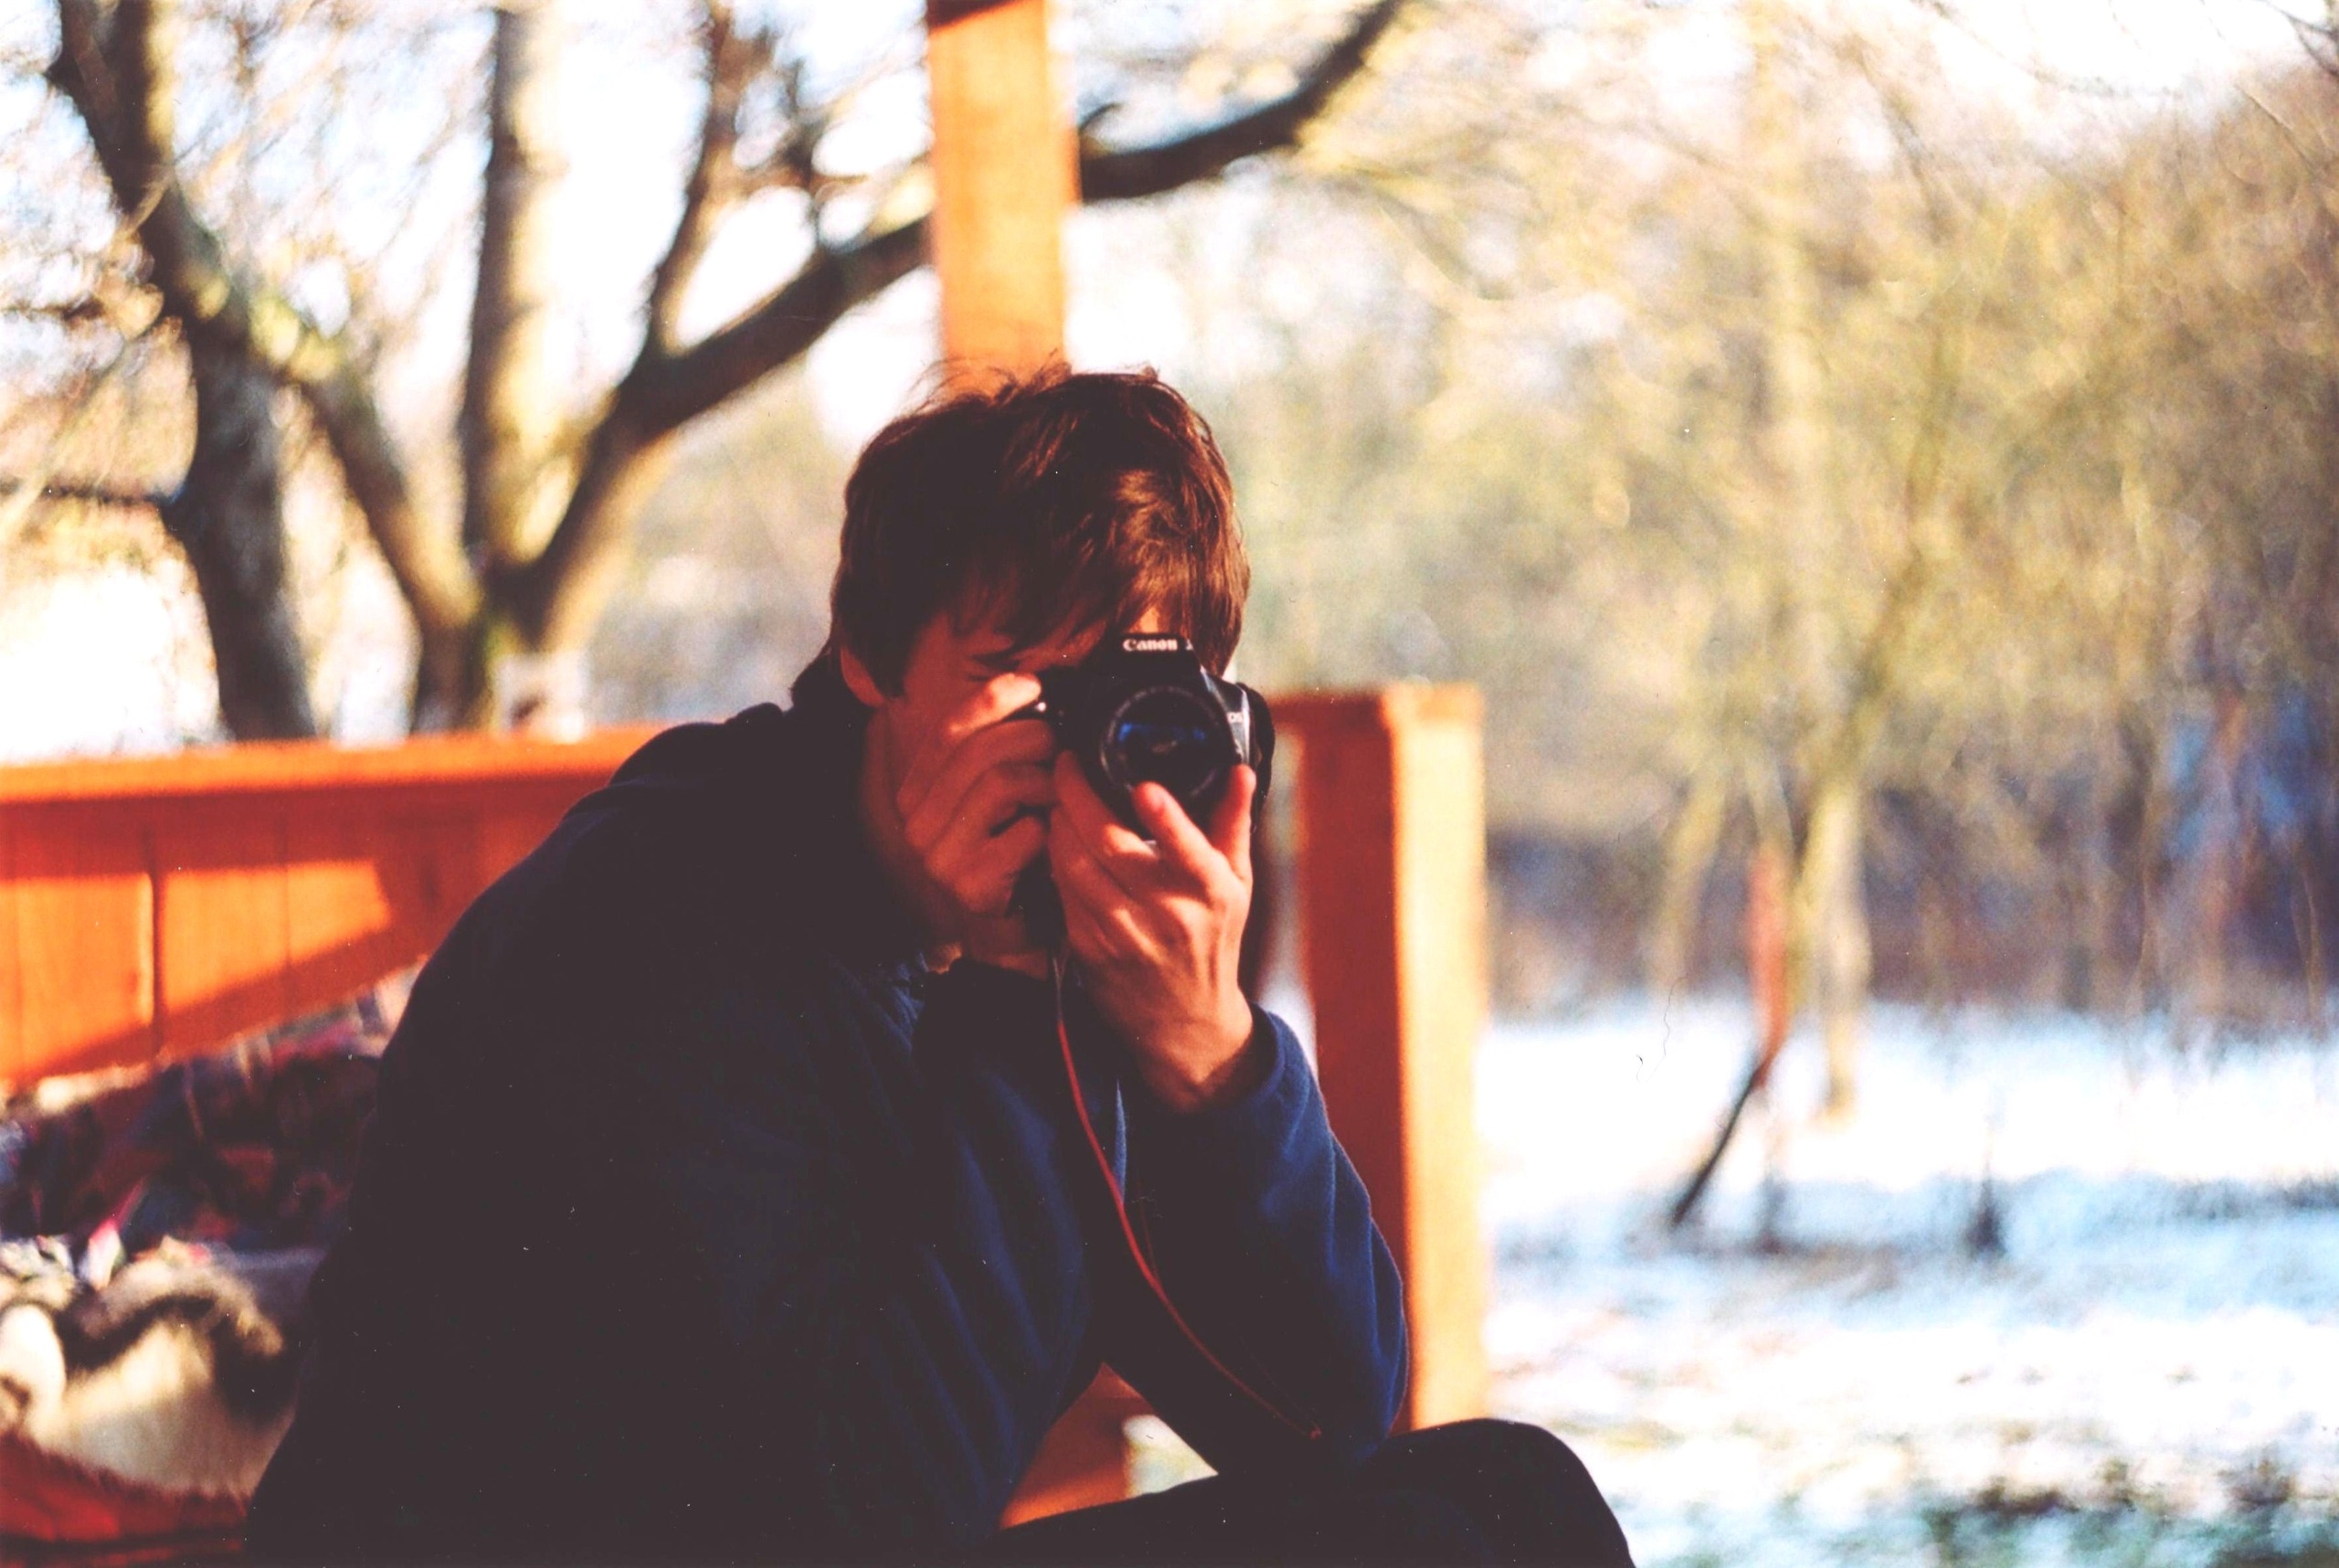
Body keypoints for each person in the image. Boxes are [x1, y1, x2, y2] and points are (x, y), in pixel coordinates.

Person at [245, 367, 1631, 1565]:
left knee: (1504, 1499)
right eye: (1023, 678)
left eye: (1121, 691)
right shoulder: (659, 925)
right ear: (868, 654)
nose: (1068, 747)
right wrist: (1014, 986)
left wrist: (1209, 1055)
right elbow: (867, 1519)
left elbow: (1331, 1422)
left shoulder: (1081, 932)